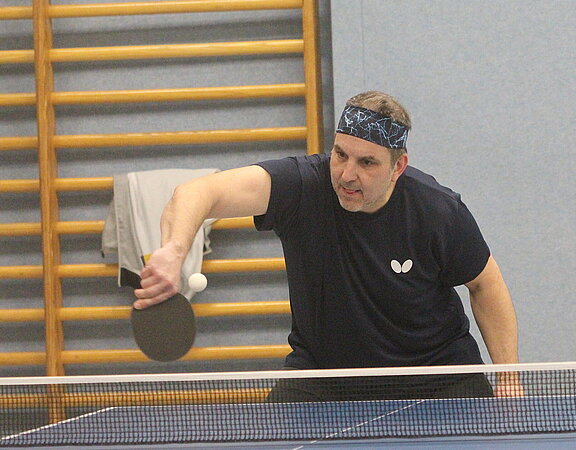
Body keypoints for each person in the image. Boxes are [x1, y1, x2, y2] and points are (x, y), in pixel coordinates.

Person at [133, 91, 520, 400]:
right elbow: (197, 193)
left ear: (398, 167)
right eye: (340, 155)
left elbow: (485, 284)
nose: (347, 175)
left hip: (438, 380)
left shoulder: (437, 210)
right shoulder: (301, 187)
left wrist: (508, 376)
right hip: (325, 378)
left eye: (367, 163)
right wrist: (174, 250)